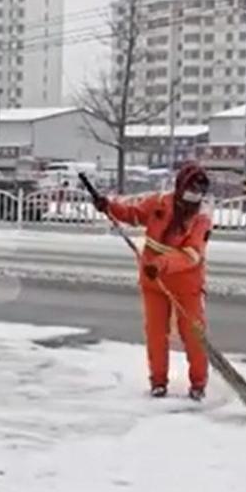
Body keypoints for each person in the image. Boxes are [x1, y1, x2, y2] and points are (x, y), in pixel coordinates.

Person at [91, 162, 213, 400]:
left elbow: (191, 254)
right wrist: (109, 207)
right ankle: (158, 382)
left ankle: (198, 383)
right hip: (153, 282)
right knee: (156, 333)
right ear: (179, 188)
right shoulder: (159, 204)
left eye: (198, 194)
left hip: (186, 285)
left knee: (193, 335)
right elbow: (133, 214)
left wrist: (161, 264)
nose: (192, 199)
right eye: (189, 192)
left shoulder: (201, 220)